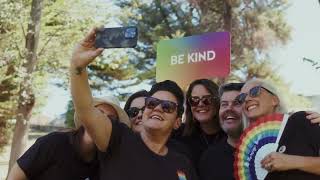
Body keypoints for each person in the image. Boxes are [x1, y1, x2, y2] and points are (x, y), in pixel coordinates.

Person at [69, 28, 198, 180]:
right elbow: (86, 110)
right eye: (152, 103)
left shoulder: (183, 165)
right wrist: (77, 67)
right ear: (144, 112)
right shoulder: (117, 138)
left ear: (177, 122)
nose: (157, 108)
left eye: (167, 107)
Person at [7, 96, 130, 180]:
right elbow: (15, 177)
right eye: (99, 113)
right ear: (87, 116)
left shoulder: (105, 161)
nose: (103, 119)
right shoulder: (54, 142)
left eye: (111, 118)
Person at [237, 78, 320, 179]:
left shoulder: (301, 121)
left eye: (254, 91)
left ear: (274, 100)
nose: (246, 99)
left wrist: (292, 161)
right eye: (241, 97)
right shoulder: (247, 150)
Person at [199, 82, 244, 180]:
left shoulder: (267, 149)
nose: (229, 108)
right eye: (224, 104)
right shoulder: (209, 158)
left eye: (236, 103)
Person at [177, 79, 226, 167]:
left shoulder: (230, 135)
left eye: (206, 99)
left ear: (217, 102)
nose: (200, 104)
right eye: (194, 100)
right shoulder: (180, 135)